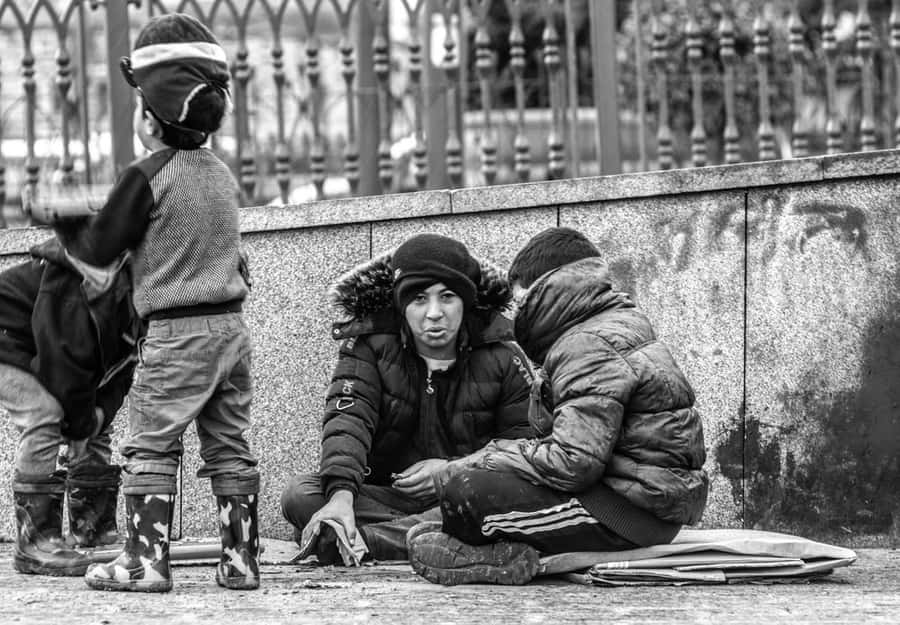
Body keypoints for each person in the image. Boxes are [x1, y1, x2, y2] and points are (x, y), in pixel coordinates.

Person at [63, 13, 259, 593]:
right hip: (230, 331)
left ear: (150, 113)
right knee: (228, 444)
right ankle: (241, 561)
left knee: (151, 443)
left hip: (175, 336)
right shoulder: (220, 175)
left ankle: (145, 562)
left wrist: (66, 218)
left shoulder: (146, 173)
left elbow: (100, 250)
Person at [407, 227, 709, 585]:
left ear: (547, 292)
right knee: (454, 505)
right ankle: (476, 546)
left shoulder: (587, 343)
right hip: (641, 504)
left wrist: (478, 459)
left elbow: (572, 463)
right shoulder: (611, 325)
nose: (519, 315)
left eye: (522, 303)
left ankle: (483, 555)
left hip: (625, 515)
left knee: (466, 490)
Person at [280, 233, 541, 563]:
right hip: (391, 496)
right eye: (419, 299)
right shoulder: (370, 347)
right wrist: (341, 498)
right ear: (402, 306)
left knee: (518, 501)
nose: (434, 313)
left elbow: (525, 445)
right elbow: (347, 422)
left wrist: (451, 472)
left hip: (470, 492)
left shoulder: (502, 354)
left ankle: (365, 541)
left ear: (466, 301)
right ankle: (422, 536)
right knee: (300, 495)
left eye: (447, 297)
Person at [0, 226, 138, 577]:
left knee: (94, 424)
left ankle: (92, 529)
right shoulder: (79, 282)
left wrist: (95, 418)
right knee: (43, 416)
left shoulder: (137, 301)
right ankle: (35, 544)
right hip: (7, 339)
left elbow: (120, 372)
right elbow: (60, 362)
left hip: (34, 344)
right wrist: (77, 426)